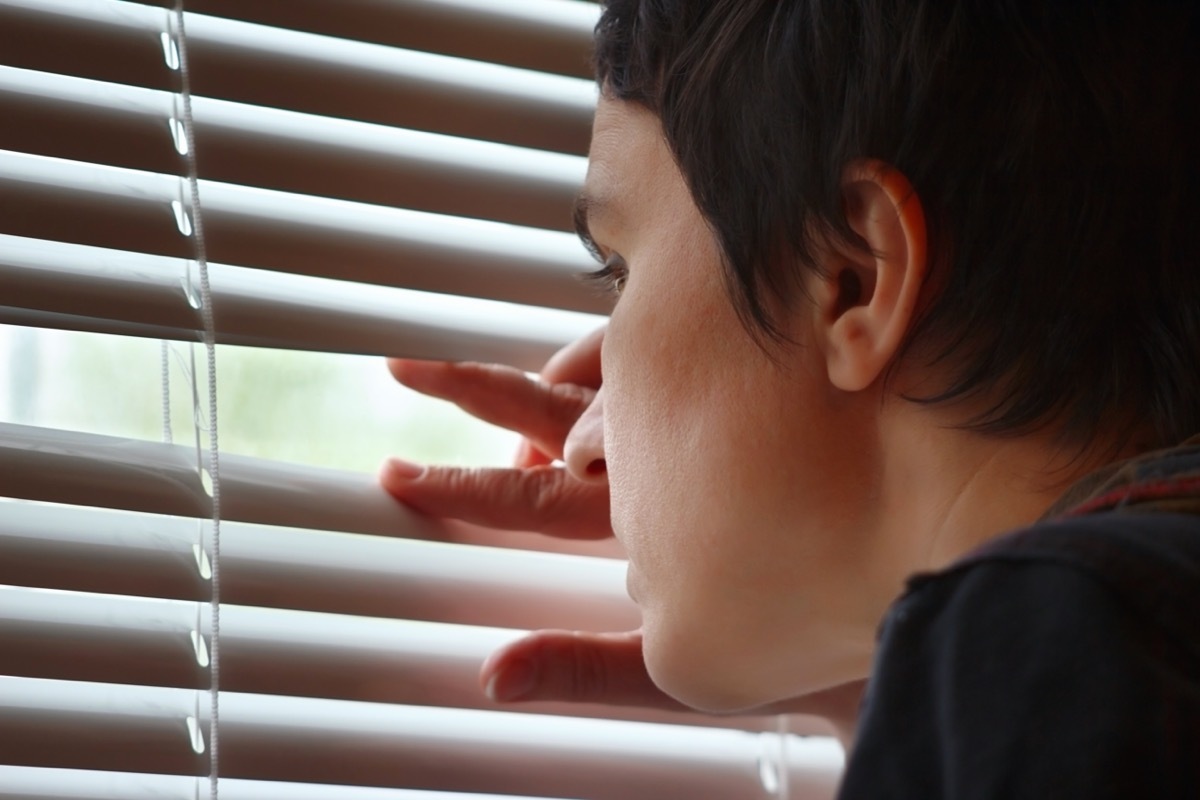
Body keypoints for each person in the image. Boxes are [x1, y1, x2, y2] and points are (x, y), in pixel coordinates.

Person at [382, 0, 1200, 795]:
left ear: (854, 279)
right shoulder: (1104, 644)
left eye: (620, 272)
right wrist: (903, 719)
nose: (582, 441)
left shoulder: (1060, 637)